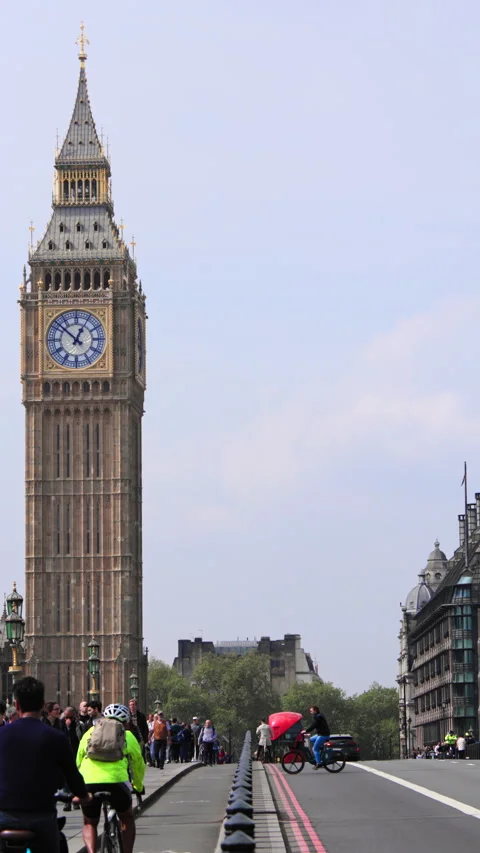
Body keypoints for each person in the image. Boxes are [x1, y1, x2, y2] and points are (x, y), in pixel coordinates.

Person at [0, 676, 91, 853]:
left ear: (17, 705)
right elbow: (72, 776)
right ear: (43, 705)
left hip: (4, 818)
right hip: (40, 817)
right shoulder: (56, 738)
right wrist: (83, 796)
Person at [77, 703, 145, 853]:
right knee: (127, 818)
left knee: (90, 822)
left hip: (89, 782)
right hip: (117, 782)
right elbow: (138, 763)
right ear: (126, 722)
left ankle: (91, 851)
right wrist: (138, 786)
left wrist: (77, 788)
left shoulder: (90, 732)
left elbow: (78, 760)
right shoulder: (128, 736)